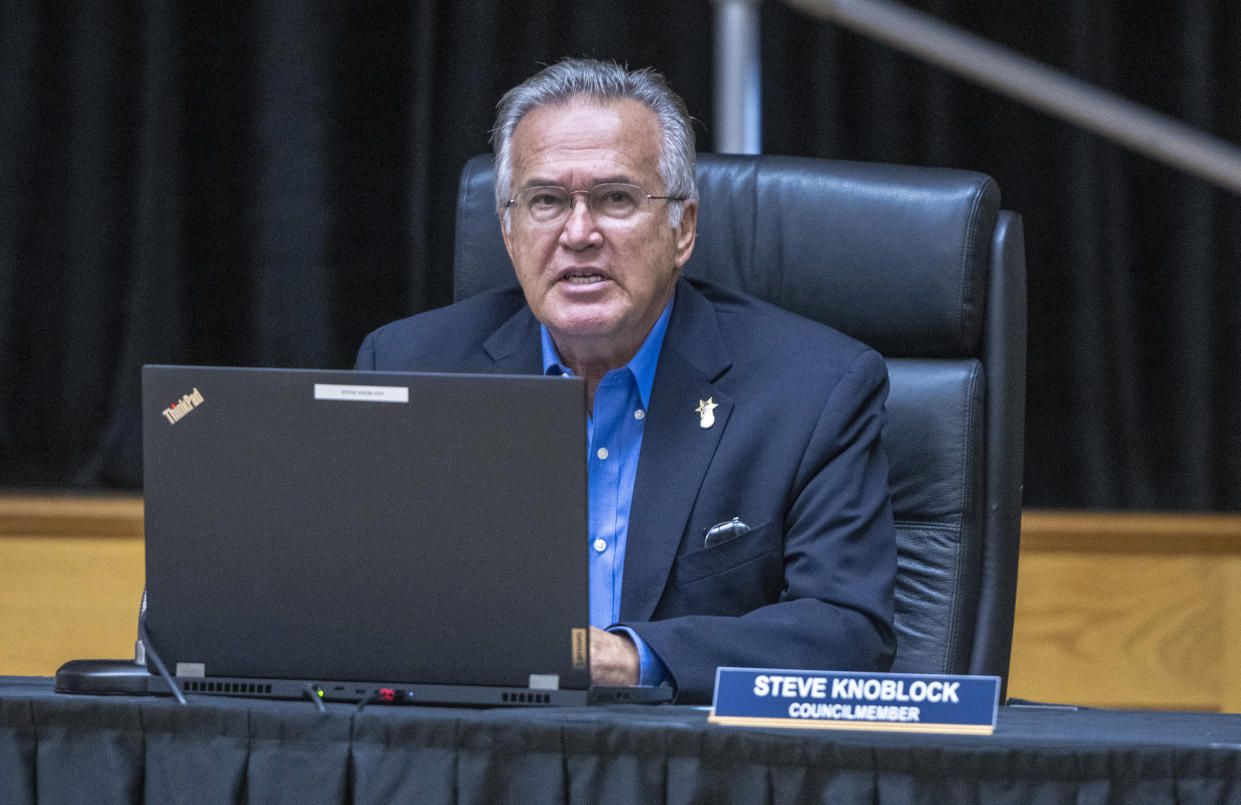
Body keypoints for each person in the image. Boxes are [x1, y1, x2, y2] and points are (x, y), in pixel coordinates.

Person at [355, 58, 896, 703]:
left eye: (616, 199)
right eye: (546, 201)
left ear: (683, 228)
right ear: (507, 228)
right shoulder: (409, 367)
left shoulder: (814, 390)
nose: (578, 234)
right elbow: (351, 604)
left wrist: (624, 659)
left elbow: (846, 631)